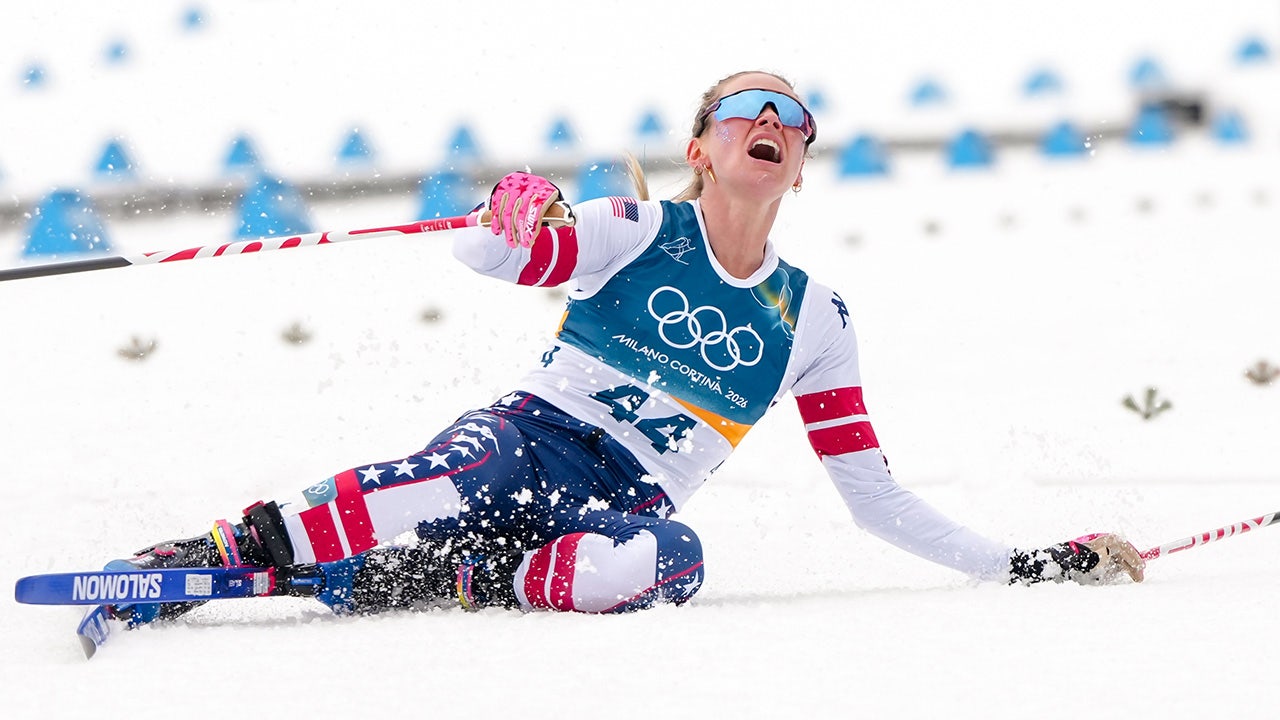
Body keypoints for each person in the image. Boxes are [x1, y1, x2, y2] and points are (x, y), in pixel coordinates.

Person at [109, 70, 1145, 628]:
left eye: (791, 116)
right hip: (528, 440)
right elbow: (489, 257)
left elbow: (873, 499)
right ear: (703, 148)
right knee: (463, 476)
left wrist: (1022, 564)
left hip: (619, 503)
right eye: (745, 109)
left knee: (673, 563)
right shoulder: (638, 230)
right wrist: (507, 210)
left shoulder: (815, 320)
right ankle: (218, 553)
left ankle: (462, 579)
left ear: (797, 164)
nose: (771, 120)